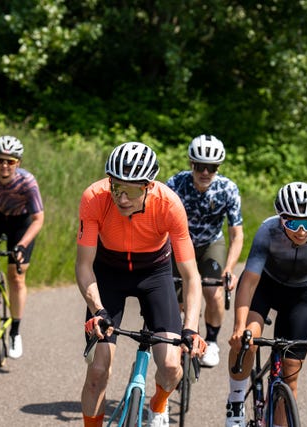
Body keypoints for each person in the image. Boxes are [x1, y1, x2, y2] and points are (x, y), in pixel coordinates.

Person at [76, 141, 207, 427]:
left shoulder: (169, 204)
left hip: (154, 272)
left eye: (132, 190)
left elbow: (191, 276)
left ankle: (158, 404)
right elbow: (84, 267)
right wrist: (97, 310)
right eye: (116, 187)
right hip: (109, 271)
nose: (122, 198)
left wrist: (191, 328)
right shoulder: (94, 198)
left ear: (149, 186)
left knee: (172, 365)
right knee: (98, 370)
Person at [224, 181, 307, 427]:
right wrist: (238, 325)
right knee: (248, 338)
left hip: (300, 296)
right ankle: (235, 401)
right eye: (292, 223)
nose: (300, 230)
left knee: (290, 375)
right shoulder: (268, 231)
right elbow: (249, 282)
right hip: (265, 286)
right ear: (280, 219)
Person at [166, 134, 244, 367]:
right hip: (180, 243)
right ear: (192, 164)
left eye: (211, 167)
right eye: (200, 166)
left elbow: (236, 234)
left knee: (214, 292)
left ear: (218, 167)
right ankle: (179, 334)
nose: (205, 173)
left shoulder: (228, 189)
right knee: (177, 298)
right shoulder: (176, 184)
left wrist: (229, 269)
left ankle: (211, 341)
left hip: (211, 242)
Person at [0, 135, 44, 359]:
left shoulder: (27, 182)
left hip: (21, 222)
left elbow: (38, 219)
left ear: (19, 163)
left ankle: (15, 331)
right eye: (0, 160)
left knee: (16, 276)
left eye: (11, 161)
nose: (4, 165)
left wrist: (22, 245)